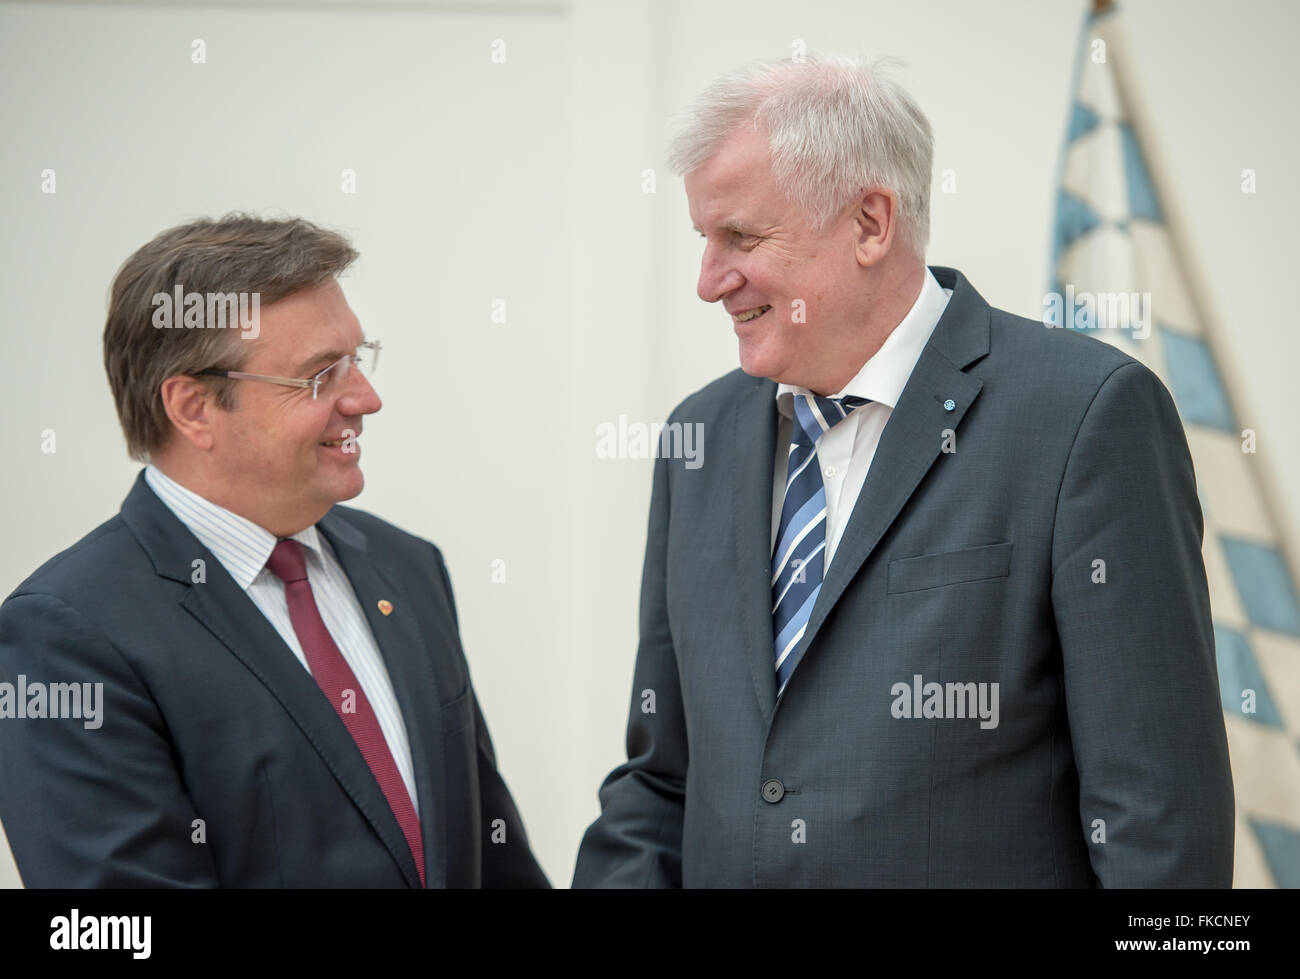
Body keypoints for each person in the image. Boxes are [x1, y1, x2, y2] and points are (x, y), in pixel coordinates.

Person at [573, 54, 1234, 887]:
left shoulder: (1084, 417)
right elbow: (660, 782)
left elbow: (1159, 824)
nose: (710, 281)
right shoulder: (695, 439)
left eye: (739, 236)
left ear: (870, 222)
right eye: (704, 239)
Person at [0, 214, 548, 888]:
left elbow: (493, 859)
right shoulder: (68, 634)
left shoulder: (407, 567)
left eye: (358, 357)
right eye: (320, 376)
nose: (366, 398)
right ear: (193, 407)